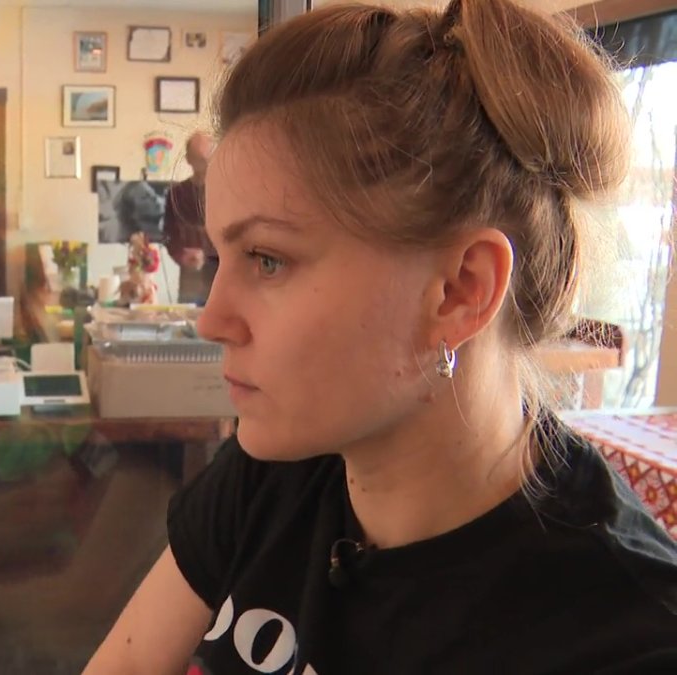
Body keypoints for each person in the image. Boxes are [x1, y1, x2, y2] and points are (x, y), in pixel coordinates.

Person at [86, 1, 677, 673]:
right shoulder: (277, 473)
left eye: (268, 259)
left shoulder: (626, 641)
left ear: (461, 290)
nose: (211, 319)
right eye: (224, 258)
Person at [163, 131, 216, 304]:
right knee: (187, 325)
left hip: (222, 276)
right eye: (199, 158)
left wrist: (207, 254)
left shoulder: (229, 193)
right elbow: (168, 234)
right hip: (190, 278)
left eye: (207, 157)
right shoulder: (176, 194)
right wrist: (181, 255)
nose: (205, 163)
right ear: (189, 159)